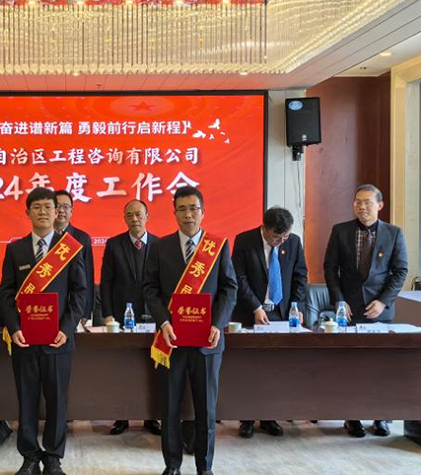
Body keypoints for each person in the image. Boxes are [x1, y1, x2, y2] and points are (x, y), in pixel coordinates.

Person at [144, 186, 237, 475]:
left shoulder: (217, 246)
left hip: (207, 341)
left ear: (203, 212)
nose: (188, 214)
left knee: (206, 409)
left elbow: (229, 289)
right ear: (174, 213)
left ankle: (204, 467)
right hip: (171, 340)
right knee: (170, 408)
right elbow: (150, 289)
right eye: (182, 209)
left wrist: (217, 324)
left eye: (193, 208)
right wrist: (164, 322)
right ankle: (172, 466)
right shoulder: (160, 247)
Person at [0, 187, 87, 475]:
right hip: (24, 341)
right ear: (28, 212)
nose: (44, 212)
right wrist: (13, 328)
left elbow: (80, 292)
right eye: (37, 207)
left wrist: (67, 328)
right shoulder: (15, 249)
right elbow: (6, 293)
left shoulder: (69, 248)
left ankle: (53, 457)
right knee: (26, 400)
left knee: (57, 401)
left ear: (57, 211)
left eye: (49, 207)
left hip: (58, 341)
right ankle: (29, 457)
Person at [324, 184, 408, 438]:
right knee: (351, 366)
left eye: (367, 202)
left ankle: (380, 417)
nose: (362, 207)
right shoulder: (340, 231)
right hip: (348, 311)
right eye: (358, 202)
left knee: (380, 366)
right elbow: (330, 268)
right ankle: (352, 417)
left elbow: (400, 271)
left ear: (379, 205)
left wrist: (383, 301)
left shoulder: (394, 233)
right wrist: (339, 301)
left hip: (379, 312)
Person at [231, 206, 308, 439]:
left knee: (273, 368)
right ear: (264, 228)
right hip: (250, 313)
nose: (282, 241)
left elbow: (300, 276)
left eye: (285, 236)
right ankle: (246, 418)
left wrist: (297, 306)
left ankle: (269, 417)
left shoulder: (293, 242)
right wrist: (255, 307)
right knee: (249, 368)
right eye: (277, 237)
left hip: (281, 314)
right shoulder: (244, 241)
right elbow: (239, 278)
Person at [101, 199, 161, 436]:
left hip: (152, 316)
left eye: (138, 214)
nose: (134, 219)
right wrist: (107, 315)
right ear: (124, 218)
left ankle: (151, 417)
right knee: (123, 367)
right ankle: (121, 416)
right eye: (129, 215)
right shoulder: (114, 245)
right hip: (121, 316)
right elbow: (106, 282)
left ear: (147, 216)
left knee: (152, 368)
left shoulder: (159, 244)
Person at [54, 189, 95, 324]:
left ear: (71, 211)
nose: (61, 211)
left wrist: (86, 311)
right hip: (49, 305)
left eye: (65, 207)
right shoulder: (43, 237)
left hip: (74, 305)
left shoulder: (82, 238)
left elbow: (88, 276)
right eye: (57, 206)